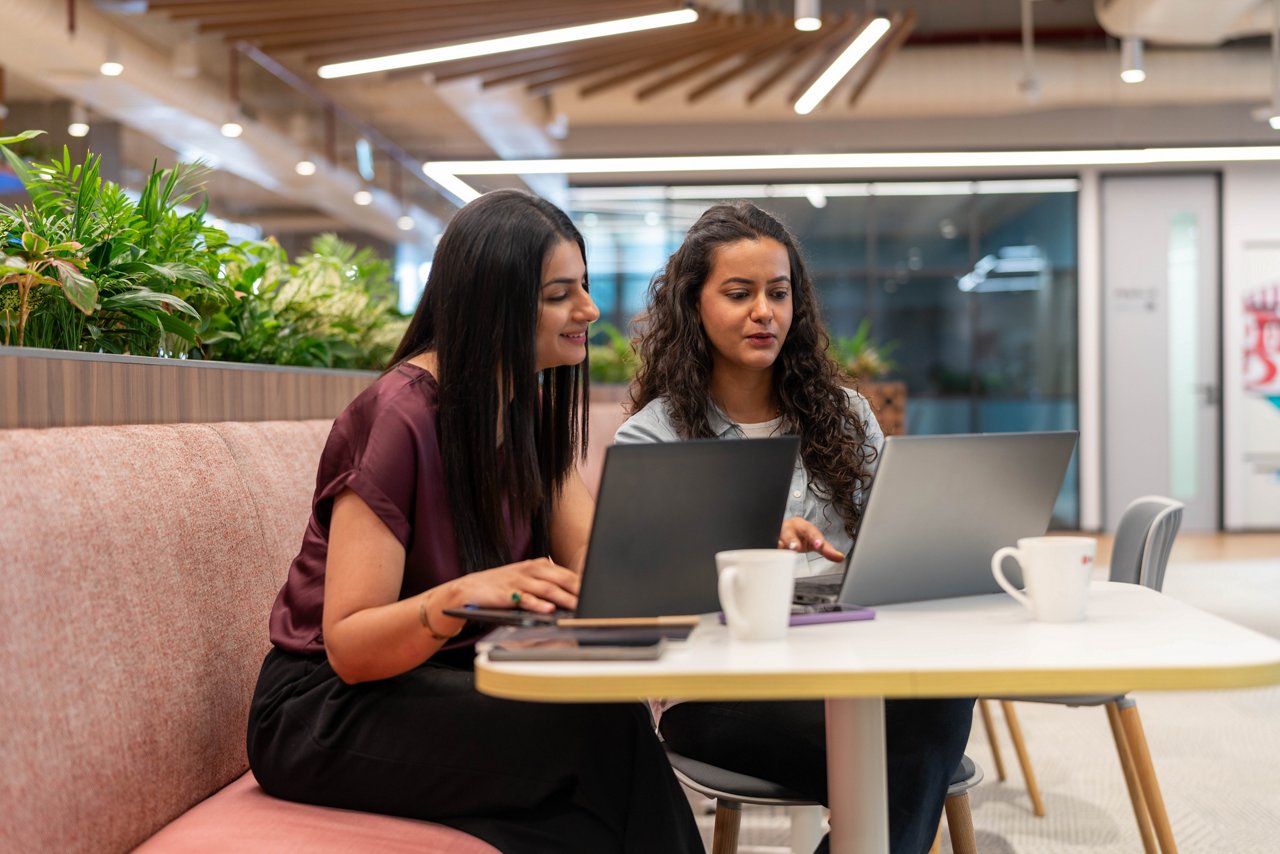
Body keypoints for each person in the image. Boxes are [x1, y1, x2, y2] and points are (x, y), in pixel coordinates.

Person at [246, 189, 703, 853]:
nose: (590, 310)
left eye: (583, 286)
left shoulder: (523, 409)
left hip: (446, 681)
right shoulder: (397, 417)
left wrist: (722, 543)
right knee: (607, 729)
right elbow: (350, 646)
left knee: (587, 814)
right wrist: (464, 596)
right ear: (494, 303)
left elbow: (597, 565)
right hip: (326, 710)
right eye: (560, 294)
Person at [614, 200, 974, 854]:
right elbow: (642, 596)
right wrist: (747, 538)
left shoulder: (847, 416)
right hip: (720, 693)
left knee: (941, 701)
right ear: (694, 305)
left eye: (778, 293)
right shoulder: (652, 438)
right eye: (739, 294)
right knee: (912, 754)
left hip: (852, 670)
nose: (764, 312)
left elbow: (895, 540)